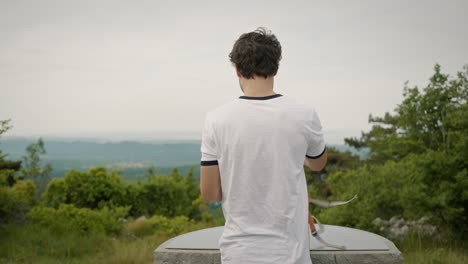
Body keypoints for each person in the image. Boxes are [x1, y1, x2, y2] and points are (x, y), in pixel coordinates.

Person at [200, 27, 327, 264]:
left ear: (236, 69)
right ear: (276, 67)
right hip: (292, 254)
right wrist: (297, 156)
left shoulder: (215, 119)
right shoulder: (304, 114)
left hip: (238, 253)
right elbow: (318, 164)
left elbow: (210, 194)